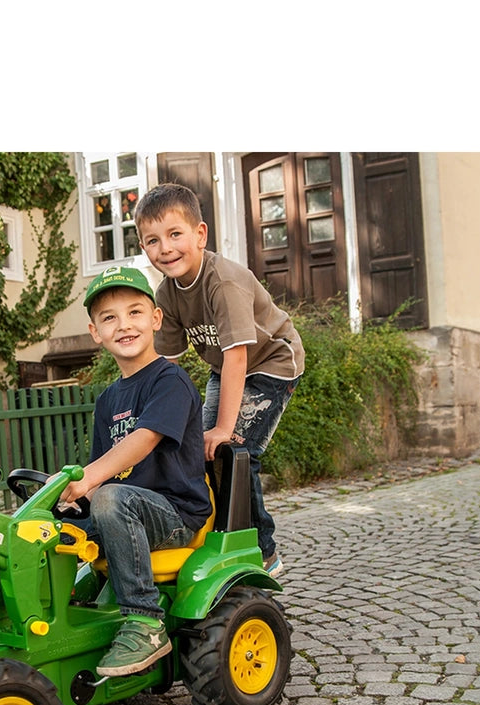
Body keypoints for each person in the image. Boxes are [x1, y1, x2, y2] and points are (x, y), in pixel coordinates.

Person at [134, 182, 304, 578]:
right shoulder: (168, 295)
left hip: (272, 362)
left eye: (175, 234)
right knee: (202, 451)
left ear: (200, 234)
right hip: (224, 367)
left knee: (234, 452)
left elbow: (238, 355)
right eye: (152, 241)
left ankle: (263, 550)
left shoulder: (222, 282)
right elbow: (166, 365)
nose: (166, 248)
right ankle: (216, 532)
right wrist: (152, 420)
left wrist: (224, 428)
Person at [60, 266, 211, 677]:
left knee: (108, 497)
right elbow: (103, 473)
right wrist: (70, 500)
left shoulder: (171, 381)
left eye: (134, 313)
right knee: (44, 528)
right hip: (123, 510)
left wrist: (91, 479)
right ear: (95, 331)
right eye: (109, 317)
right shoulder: (108, 399)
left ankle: (145, 622)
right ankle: (56, 621)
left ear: (156, 319)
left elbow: (142, 441)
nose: (123, 325)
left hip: (175, 515)